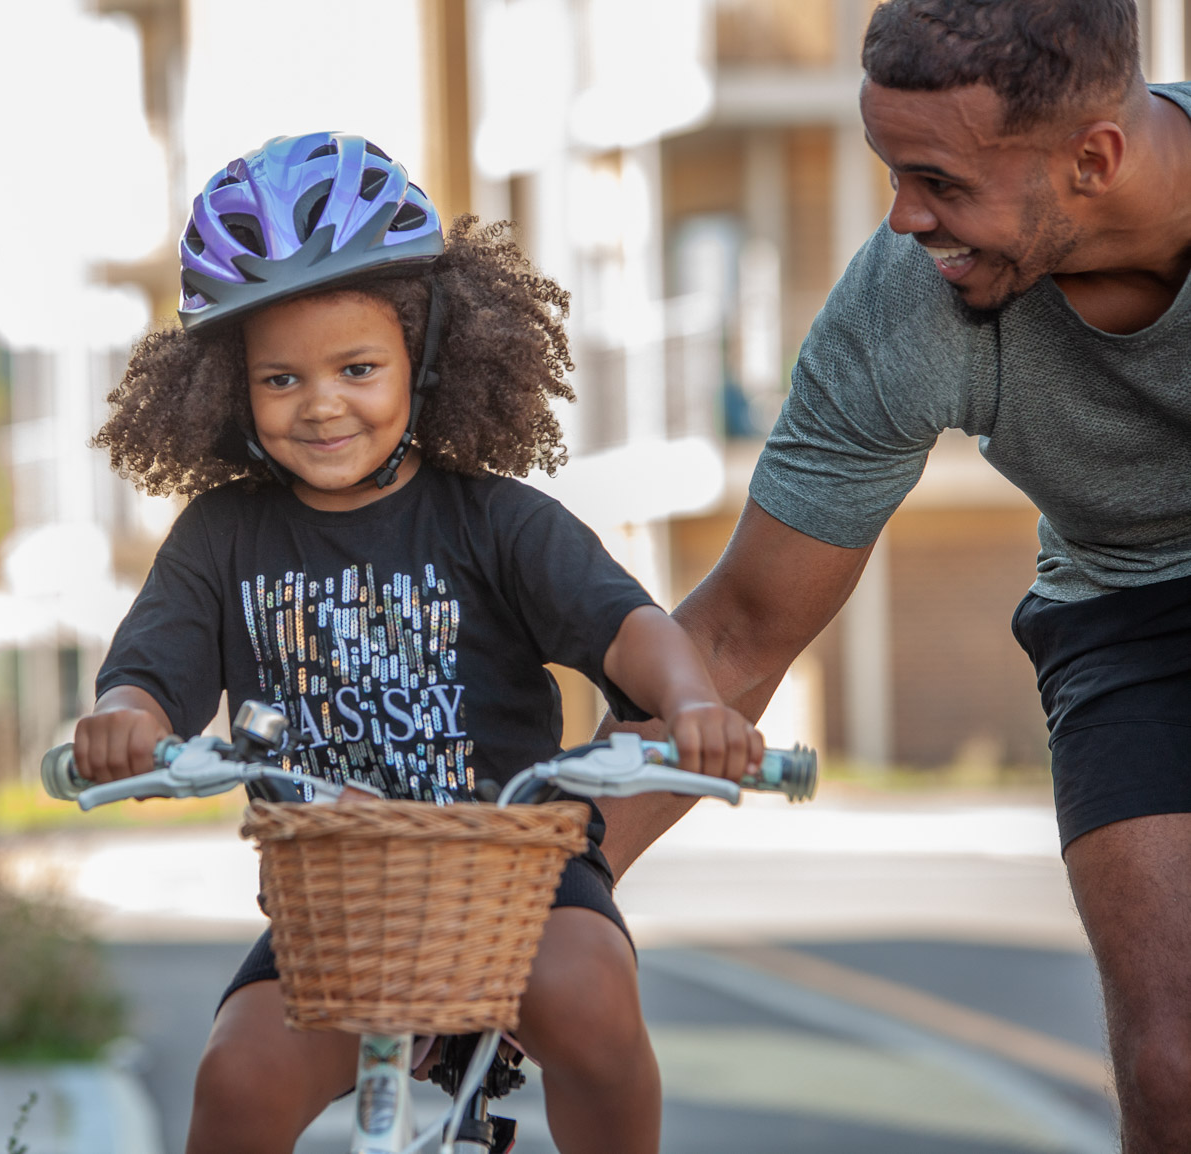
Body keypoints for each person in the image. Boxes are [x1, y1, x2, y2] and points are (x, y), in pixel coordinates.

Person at [73, 131, 764, 1154]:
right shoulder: (222, 538)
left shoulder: (495, 520)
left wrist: (693, 703)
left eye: (357, 367)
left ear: (428, 356)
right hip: (336, 894)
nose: (321, 404)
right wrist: (124, 725)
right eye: (279, 379)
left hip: (514, 876)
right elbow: (149, 677)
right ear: (227, 387)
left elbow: (629, 627)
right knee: (239, 1078)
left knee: (594, 1008)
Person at [595, 1, 1191, 1148]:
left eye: (939, 181)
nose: (904, 217)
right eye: (889, 169)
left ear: (1095, 158)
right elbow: (735, 637)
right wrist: (539, 895)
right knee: (1173, 1067)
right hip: (1125, 604)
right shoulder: (907, 305)